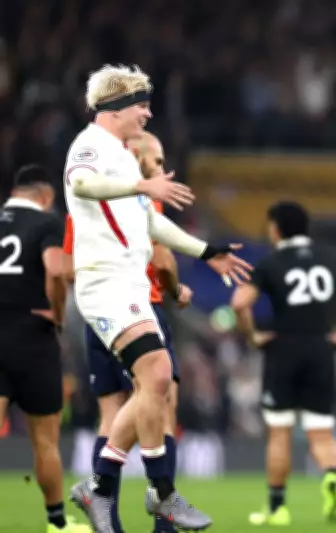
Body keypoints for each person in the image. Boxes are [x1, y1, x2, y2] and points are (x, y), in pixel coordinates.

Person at [65, 64, 252, 533]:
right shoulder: (90, 144)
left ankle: (101, 486)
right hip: (105, 282)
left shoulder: (123, 158)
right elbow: (81, 184)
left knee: (154, 383)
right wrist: (141, 184)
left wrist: (206, 252)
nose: (148, 114)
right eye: (142, 105)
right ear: (116, 107)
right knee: (158, 372)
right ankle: (161, 494)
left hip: (129, 284)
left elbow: (150, 222)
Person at [63, 132, 192, 533]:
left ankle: (108, 521)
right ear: (136, 157)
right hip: (140, 312)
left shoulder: (83, 203)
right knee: (160, 406)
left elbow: (67, 268)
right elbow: (164, 261)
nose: (161, 169)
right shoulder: (143, 197)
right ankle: (164, 526)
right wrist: (176, 291)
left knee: (110, 415)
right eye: (157, 160)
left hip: (98, 315)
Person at [230, 201, 336, 527]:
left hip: (283, 350)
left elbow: (240, 302)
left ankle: (277, 508)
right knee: (321, 432)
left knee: (279, 433)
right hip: (322, 350)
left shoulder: (271, 262)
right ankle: (331, 475)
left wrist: (253, 336)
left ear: (277, 228)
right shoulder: (328, 257)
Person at [0, 165, 91, 533]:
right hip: (32, 336)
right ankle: (57, 522)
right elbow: (55, 269)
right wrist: (57, 313)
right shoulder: (46, 223)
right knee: (45, 440)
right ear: (46, 196)